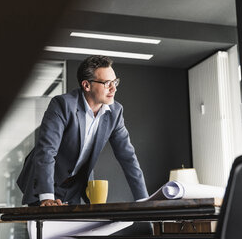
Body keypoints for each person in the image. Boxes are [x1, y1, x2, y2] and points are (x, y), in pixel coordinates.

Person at [17, 55, 148, 206]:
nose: (113, 88)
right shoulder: (63, 105)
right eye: (107, 83)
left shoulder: (115, 111)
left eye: (115, 81)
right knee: (44, 228)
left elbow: (128, 157)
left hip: (75, 186)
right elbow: (46, 150)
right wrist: (47, 197)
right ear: (86, 85)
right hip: (45, 182)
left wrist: (144, 200)